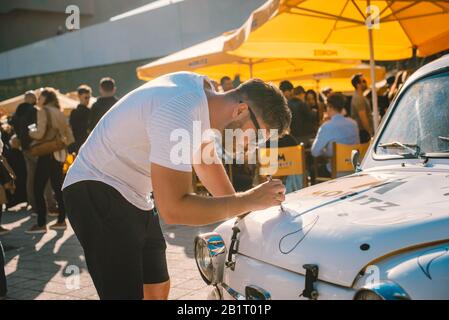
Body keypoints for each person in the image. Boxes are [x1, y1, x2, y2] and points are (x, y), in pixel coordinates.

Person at [62, 72, 291, 300]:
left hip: (133, 193)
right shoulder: (181, 109)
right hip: (95, 187)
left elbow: (204, 160)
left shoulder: (203, 96)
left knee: (157, 287)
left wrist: (246, 209)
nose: (254, 145)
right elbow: (174, 209)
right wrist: (249, 199)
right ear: (240, 110)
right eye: (258, 136)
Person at [26, 88, 74, 234]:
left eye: (40, 97)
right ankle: (61, 220)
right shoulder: (59, 111)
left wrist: (30, 131)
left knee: (37, 188)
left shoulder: (43, 111)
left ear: (46, 98)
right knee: (58, 187)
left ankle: (41, 224)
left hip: (46, 153)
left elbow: (40, 134)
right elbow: (69, 135)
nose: (38, 99)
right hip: (59, 153)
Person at [10, 91, 57, 215]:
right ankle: (50, 204)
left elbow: (15, 129)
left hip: (24, 148)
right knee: (44, 175)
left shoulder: (16, 113)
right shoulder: (34, 111)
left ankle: (33, 205)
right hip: (35, 146)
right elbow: (36, 129)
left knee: (30, 177)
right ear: (34, 99)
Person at [311, 93, 360, 177]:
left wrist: (326, 152)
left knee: (312, 169)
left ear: (329, 107)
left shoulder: (326, 126)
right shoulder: (353, 123)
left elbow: (314, 152)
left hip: (336, 171)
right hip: (354, 168)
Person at [350, 73, 373, 143]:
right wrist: (370, 133)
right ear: (358, 85)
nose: (366, 83)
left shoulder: (361, 97)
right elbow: (363, 118)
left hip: (362, 132)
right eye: (364, 81)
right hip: (363, 133)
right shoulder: (358, 98)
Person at [69, 85, 92, 154]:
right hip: (83, 142)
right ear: (79, 96)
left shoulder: (74, 112)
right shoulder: (88, 111)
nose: (88, 100)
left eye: (89, 97)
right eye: (86, 97)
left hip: (80, 142)